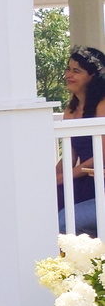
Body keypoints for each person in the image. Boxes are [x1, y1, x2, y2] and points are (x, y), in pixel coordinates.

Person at [57, 46, 105, 235]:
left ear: (92, 75)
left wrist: (66, 176)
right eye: (68, 69)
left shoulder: (102, 106)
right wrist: (52, 177)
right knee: (44, 204)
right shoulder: (70, 111)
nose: (69, 74)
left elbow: (102, 155)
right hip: (86, 183)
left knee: (63, 221)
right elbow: (69, 154)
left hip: (100, 185)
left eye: (76, 71)